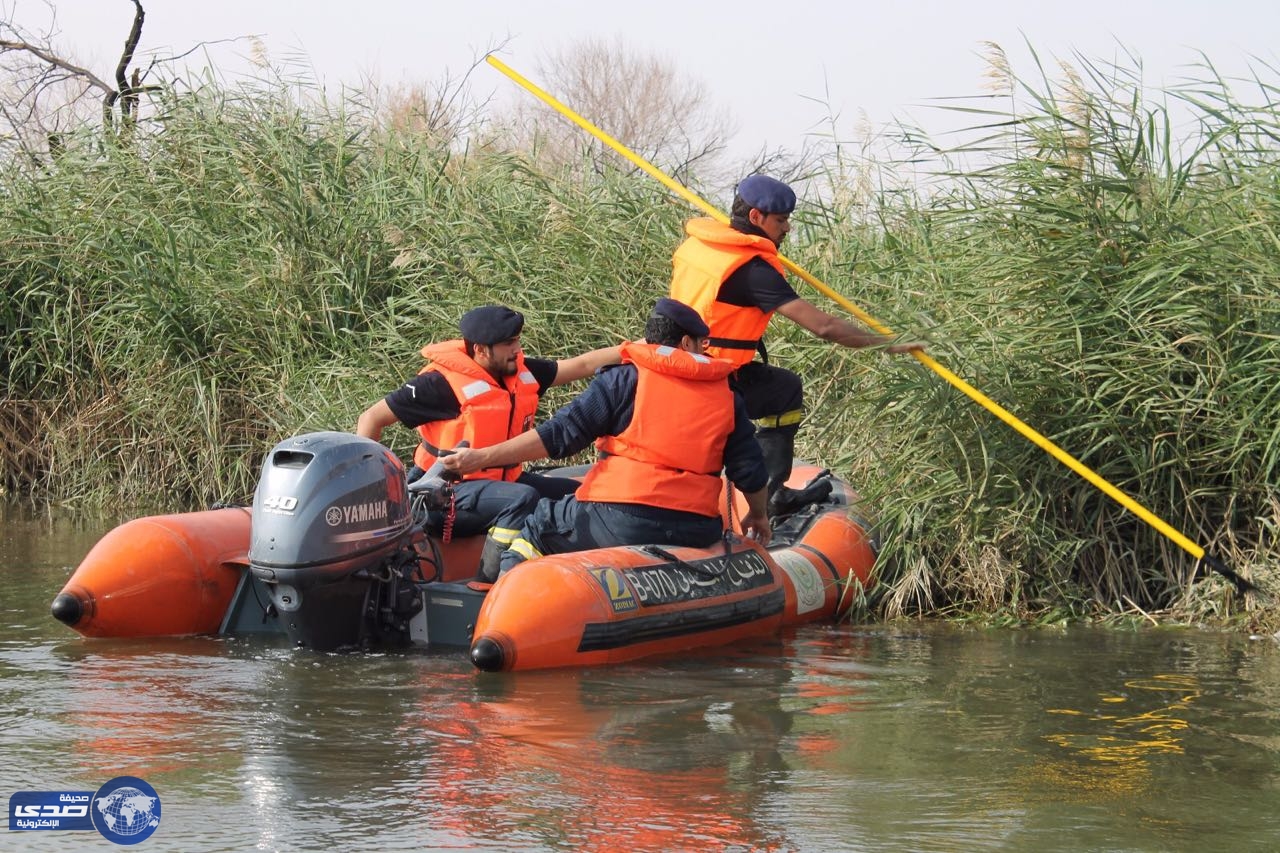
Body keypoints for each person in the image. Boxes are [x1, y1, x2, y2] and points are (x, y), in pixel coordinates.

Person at [440, 298, 771, 575]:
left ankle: (505, 602)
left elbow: (560, 435)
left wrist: (481, 457)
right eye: (703, 343)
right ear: (687, 344)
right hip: (696, 526)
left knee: (539, 526)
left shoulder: (623, 381)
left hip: (619, 519)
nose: (705, 350)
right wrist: (759, 515)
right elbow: (750, 471)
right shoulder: (727, 395)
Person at [670, 174, 926, 517]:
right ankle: (765, 499)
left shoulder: (701, 247)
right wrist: (887, 343)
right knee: (782, 391)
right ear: (757, 217)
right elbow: (824, 326)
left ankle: (768, 490)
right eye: (781, 220)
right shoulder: (752, 271)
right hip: (712, 381)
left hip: (680, 366)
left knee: (783, 388)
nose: (787, 229)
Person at [356, 304, 621, 581]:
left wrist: (637, 349)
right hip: (443, 495)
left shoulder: (520, 373)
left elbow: (583, 364)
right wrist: (374, 495)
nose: (517, 349)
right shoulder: (438, 385)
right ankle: (487, 584)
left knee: (577, 494)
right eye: (508, 343)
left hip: (502, 482)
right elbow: (371, 418)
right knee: (522, 499)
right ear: (481, 350)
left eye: (517, 340)